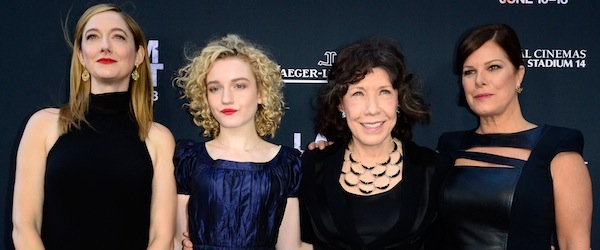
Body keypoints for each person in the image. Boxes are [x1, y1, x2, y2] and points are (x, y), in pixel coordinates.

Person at [11, 4, 176, 250]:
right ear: (81, 55)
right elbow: (24, 227)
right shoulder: (43, 125)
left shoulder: (158, 138)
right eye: (93, 37)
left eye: (118, 36)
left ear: (139, 55)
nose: (105, 46)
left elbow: (161, 238)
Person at [436, 23, 592, 249]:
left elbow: (574, 244)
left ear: (518, 74)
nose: (480, 80)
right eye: (469, 71)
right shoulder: (449, 147)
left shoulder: (556, 147)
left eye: (493, 67)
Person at [300, 36, 449, 249]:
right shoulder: (312, 166)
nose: (372, 109)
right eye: (358, 93)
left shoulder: (433, 170)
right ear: (341, 104)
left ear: (399, 99)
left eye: (384, 92)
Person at [173, 34, 303, 250]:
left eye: (239, 86)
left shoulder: (287, 165)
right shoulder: (189, 160)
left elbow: (290, 247)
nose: (226, 98)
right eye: (215, 88)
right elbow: (177, 241)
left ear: (261, 93)